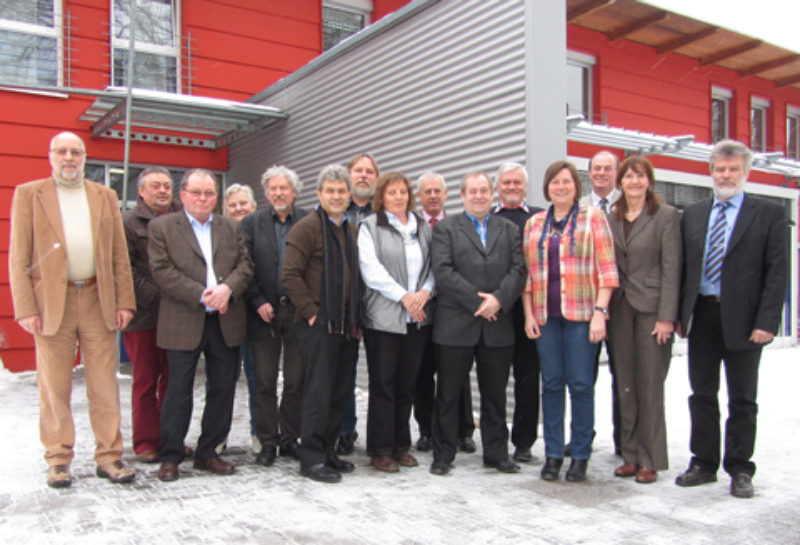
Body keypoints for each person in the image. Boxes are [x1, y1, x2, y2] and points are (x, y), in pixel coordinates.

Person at [9, 131, 136, 488]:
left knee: (104, 385)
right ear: (50, 155)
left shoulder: (104, 196)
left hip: (98, 299)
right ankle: (58, 458)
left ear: (84, 157)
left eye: (75, 152)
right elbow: (18, 257)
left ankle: (109, 457)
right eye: (62, 151)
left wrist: (125, 300)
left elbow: (118, 256)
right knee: (54, 386)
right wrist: (26, 308)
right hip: (52, 304)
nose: (69, 157)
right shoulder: (29, 195)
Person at [676, 140, 787, 499]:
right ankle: (704, 462)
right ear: (711, 173)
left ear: (745, 172)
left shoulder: (767, 213)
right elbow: (684, 269)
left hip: (745, 319)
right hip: (703, 314)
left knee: (743, 397)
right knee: (702, 393)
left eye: (733, 169)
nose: (726, 175)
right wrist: (680, 315)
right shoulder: (692, 214)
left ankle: (740, 467)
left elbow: (777, 272)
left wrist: (768, 320)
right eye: (720, 169)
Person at [148, 169, 254, 482]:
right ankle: (171, 455)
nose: (203, 198)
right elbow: (161, 270)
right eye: (196, 192)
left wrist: (227, 289)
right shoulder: (162, 227)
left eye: (209, 193)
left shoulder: (230, 228)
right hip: (183, 318)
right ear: (183, 195)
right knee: (178, 391)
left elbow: (246, 265)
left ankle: (209, 452)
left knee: (223, 389)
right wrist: (201, 294)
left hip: (225, 319)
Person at [521, 160, 618, 483]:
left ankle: (579, 455)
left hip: (581, 317)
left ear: (576, 187)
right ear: (546, 188)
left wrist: (600, 313)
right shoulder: (535, 223)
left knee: (580, 385)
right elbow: (528, 276)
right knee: (550, 385)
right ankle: (551, 454)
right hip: (546, 318)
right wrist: (529, 314)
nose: (560, 187)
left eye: (566, 182)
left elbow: (607, 270)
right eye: (554, 182)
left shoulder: (594, 218)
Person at [429, 171, 526, 476]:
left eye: (484, 190)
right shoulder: (446, 228)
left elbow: (518, 270)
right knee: (448, 394)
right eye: (473, 191)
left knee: (495, 394)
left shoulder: (509, 230)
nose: (480, 195)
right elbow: (443, 272)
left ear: (492, 193)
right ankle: (443, 453)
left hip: (497, 324)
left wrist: (497, 300)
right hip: (456, 324)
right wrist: (478, 302)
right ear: (463, 194)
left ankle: (496, 453)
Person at [282, 164, 361, 483]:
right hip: (318, 324)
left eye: (342, 191)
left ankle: (329, 451)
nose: (337, 196)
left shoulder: (351, 230)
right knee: (318, 390)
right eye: (330, 191)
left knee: (339, 391)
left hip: (346, 325)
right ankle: (311, 458)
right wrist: (312, 313)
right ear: (319, 194)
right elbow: (289, 275)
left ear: (349, 195)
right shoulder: (306, 227)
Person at [606, 157, 681, 484]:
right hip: (620, 309)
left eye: (640, 176)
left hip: (652, 311)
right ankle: (631, 454)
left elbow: (672, 268)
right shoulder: (612, 218)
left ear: (649, 181)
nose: (634, 182)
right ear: (619, 182)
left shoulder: (665, 217)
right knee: (625, 383)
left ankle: (651, 459)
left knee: (650, 385)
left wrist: (667, 316)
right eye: (628, 177)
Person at [359, 171, 435, 472]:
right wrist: (405, 296)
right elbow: (370, 269)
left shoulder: (422, 226)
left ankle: (401, 445)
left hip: (417, 318)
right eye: (391, 193)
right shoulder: (370, 226)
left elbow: (433, 265)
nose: (398, 197)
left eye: (403, 192)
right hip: (384, 319)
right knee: (383, 386)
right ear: (382, 197)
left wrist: (425, 293)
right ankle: (380, 450)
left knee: (407, 385)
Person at [241, 166, 309, 467]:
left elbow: (315, 265)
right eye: (273, 188)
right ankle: (267, 441)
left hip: (297, 312)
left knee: (296, 380)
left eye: (284, 188)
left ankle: (289, 438)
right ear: (266, 192)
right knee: (264, 381)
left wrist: (307, 304)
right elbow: (244, 264)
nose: (278, 193)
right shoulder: (252, 223)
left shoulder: (309, 220)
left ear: (295, 191)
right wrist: (256, 300)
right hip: (263, 313)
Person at [412, 172, 476, 454]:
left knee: (457, 375)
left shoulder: (458, 225)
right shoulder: (411, 226)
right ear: (420, 196)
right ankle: (427, 430)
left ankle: (464, 431)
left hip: (455, 310)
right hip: (422, 311)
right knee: (423, 373)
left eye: (438, 191)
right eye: (427, 192)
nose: (433, 196)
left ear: (447, 193)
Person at [122, 166, 181, 464]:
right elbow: (125, 268)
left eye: (167, 186)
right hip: (144, 315)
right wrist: (159, 295)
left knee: (174, 381)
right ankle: (146, 441)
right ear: (141, 192)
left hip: (180, 316)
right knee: (146, 380)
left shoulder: (183, 219)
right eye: (155, 186)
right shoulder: (129, 222)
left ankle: (170, 438)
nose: (162, 191)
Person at [491, 162, 543, 463]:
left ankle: (524, 442)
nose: (511, 187)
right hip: (498, 311)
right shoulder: (490, 219)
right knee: (495, 380)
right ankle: (495, 438)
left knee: (527, 378)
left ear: (525, 186)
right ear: (498, 187)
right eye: (506, 182)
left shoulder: (538, 217)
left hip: (529, 313)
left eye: (517, 183)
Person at [579, 149, 622, 456]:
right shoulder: (579, 208)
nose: (602, 173)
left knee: (623, 376)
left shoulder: (631, 204)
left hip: (624, 304)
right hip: (585, 306)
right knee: (584, 376)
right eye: (597, 168)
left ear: (616, 173)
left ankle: (625, 440)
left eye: (608, 168)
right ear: (590, 173)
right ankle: (583, 435)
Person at [337, 152, 380, 455]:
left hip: (380, 304)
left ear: (376, 178)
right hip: (345, 305)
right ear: (349, 175)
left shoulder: (387, 211)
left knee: (382, 373)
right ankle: (344, 430)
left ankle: (381, 434)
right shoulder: (334, 210)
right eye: (358, 170)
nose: (363, 175)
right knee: (344, 371)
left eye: (369, 171)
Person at [220, 183, 259, 454]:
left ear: (254, 206)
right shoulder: (217, 235)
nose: (238, 208)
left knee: (259, 380)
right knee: (222, 380)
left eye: (243, 203)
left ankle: (260, 434)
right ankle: (218, 435)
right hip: (225, 318)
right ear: (225, 209)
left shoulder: (262, 230)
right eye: (233, 204)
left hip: (257, 318)